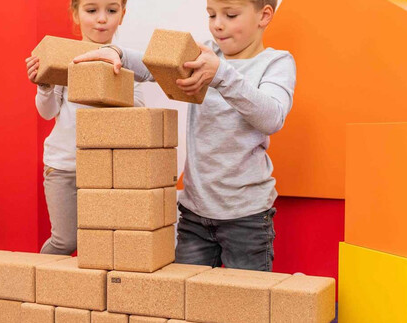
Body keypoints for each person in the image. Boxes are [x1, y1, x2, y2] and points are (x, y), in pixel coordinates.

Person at [74, 0, 296, 271]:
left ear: (264, 16)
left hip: (246, 218)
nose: (218, 24)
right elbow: (152, 65)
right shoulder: (206, 53)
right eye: (211, 14)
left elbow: (272, 117)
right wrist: (116, 52)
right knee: (187, 301)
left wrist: (221, 75)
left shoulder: (275, 62)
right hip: (194, 215)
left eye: (230, 15)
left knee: (246, 304)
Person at [25, 0, 145, 255]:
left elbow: (138, 110)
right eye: (92, 10)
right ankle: (39, 287)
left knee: (102, 244)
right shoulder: (65, 57)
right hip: (65, 166)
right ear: (76, 15)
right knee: (66, 241)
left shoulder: (125, 62)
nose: (102, 19)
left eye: (111, 11)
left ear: (122, 15)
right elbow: (48, 112)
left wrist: (111, 85)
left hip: (106, 169)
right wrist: (44, 85)